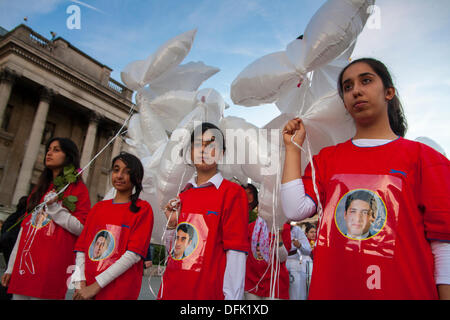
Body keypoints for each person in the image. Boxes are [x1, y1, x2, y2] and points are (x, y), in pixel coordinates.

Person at [281, 58, 450, 300]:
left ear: (388, 92)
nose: (356, 90)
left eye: (366, 81)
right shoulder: (327, 159)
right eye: (347, 87)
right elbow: (295, 209)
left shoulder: (425, 159)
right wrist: (293, 149)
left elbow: (443, 245)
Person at [158, 122, 249, 300]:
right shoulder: (184, 194)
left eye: (211, 145)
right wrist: (172, 226)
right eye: (198, 144)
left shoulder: (232, 193)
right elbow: (176, 253)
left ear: (222, 153)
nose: (203, 150)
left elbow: (236, 252)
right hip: (171, 290)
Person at [1, 137, 91, 300]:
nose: (49, 153)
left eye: (56, 150)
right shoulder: (39, 189)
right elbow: (24, 229)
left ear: (68, 156)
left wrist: (55, 209)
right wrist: (11, 266)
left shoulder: (78, 189)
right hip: (25, 265)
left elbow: (82, 228)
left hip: (50, 267)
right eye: (49, 149)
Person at [72, 152, 154, 300]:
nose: (120, 175)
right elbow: (81, 249)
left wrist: (95, 286)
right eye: (116, 170)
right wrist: (79, 283)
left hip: (118, 290)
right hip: (86, 290)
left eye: (127, 172)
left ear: (137, 177)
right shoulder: (98, 208)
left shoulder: (143, 209)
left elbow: (133, 255)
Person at [244, 219, 290, 300]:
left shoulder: (283, 227)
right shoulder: (250, 227)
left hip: (275, 283)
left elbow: (282, 258)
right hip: (252, 281)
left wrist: (279, 235)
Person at [285, 222, 311, 300]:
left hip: (294, 262)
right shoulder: (274, 228)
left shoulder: (296, 229)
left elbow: (308, 250)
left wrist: (299, 245)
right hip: (279, 262)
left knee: (296, 292)